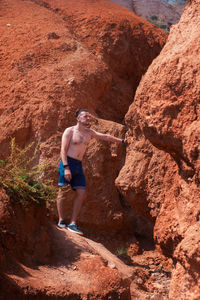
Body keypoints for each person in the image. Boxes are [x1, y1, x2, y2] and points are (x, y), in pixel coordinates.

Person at [57, 108, 126, 235]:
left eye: (89, 117)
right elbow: (63, 150)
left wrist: (121, 141)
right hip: (67, 163)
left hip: (78, 164)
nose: (88, 118)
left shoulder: (89, 132)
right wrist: (66, 167)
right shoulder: (70, 131)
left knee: (82, 193)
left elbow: (105, 136)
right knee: (63, 191)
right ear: (78, 119)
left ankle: (72, 223)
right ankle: (61, 220)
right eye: (85, 116)